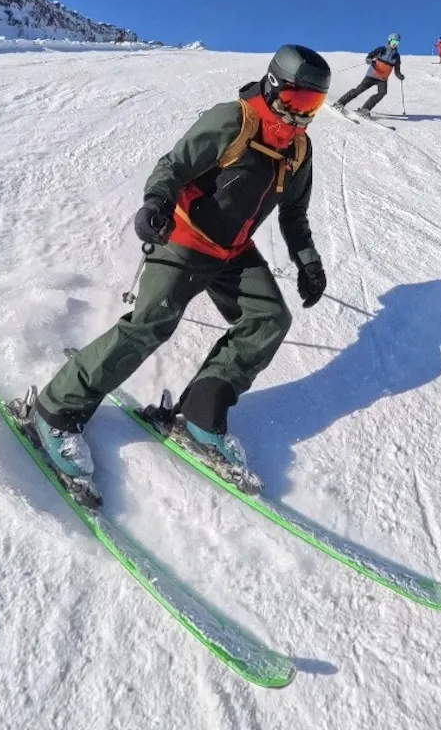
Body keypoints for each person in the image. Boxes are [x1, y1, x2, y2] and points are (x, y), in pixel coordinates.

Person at [27, 44, 332, 492]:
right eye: (296, 101)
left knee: (268, 318)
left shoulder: (299, 150)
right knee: (150, 325)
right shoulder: (233, 120)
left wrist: (308, 262)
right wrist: (156, 203)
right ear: (273, 87)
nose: (301, 115)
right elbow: (174, 165)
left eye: (313, 104)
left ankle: (201, 416)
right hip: (186, 238)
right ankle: (55, 410)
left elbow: (294, 215)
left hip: (233, 251)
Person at [334, 33, 404, 117]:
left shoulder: (396, 56)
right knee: (359, 90)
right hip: (372, 75)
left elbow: (397, 70)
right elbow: (369, 57)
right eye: (394, 41)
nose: (395, 44)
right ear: (390, 40)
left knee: (382, 93)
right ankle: (340, 103)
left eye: (397, 42)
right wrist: (370, 60)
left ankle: (364, 109)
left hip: (382, 79)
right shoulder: (382, 49)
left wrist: (399, 75)